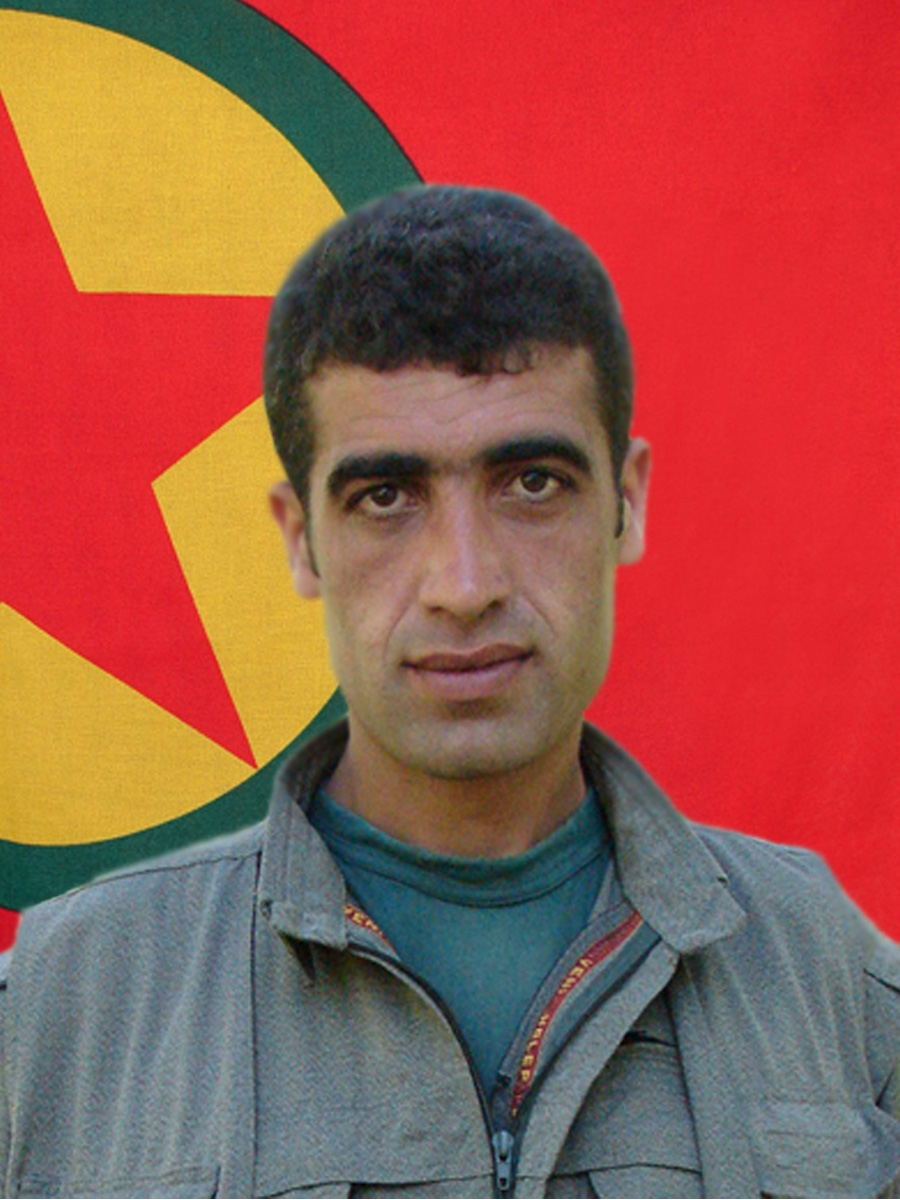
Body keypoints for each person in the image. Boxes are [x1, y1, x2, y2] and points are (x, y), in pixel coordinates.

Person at [2, 186, 899, 1199]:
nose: (465, 585)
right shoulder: (70, 1006)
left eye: (532, 483)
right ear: (301, 539)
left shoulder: (825, 977)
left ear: (628, 499)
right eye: (385, 496)